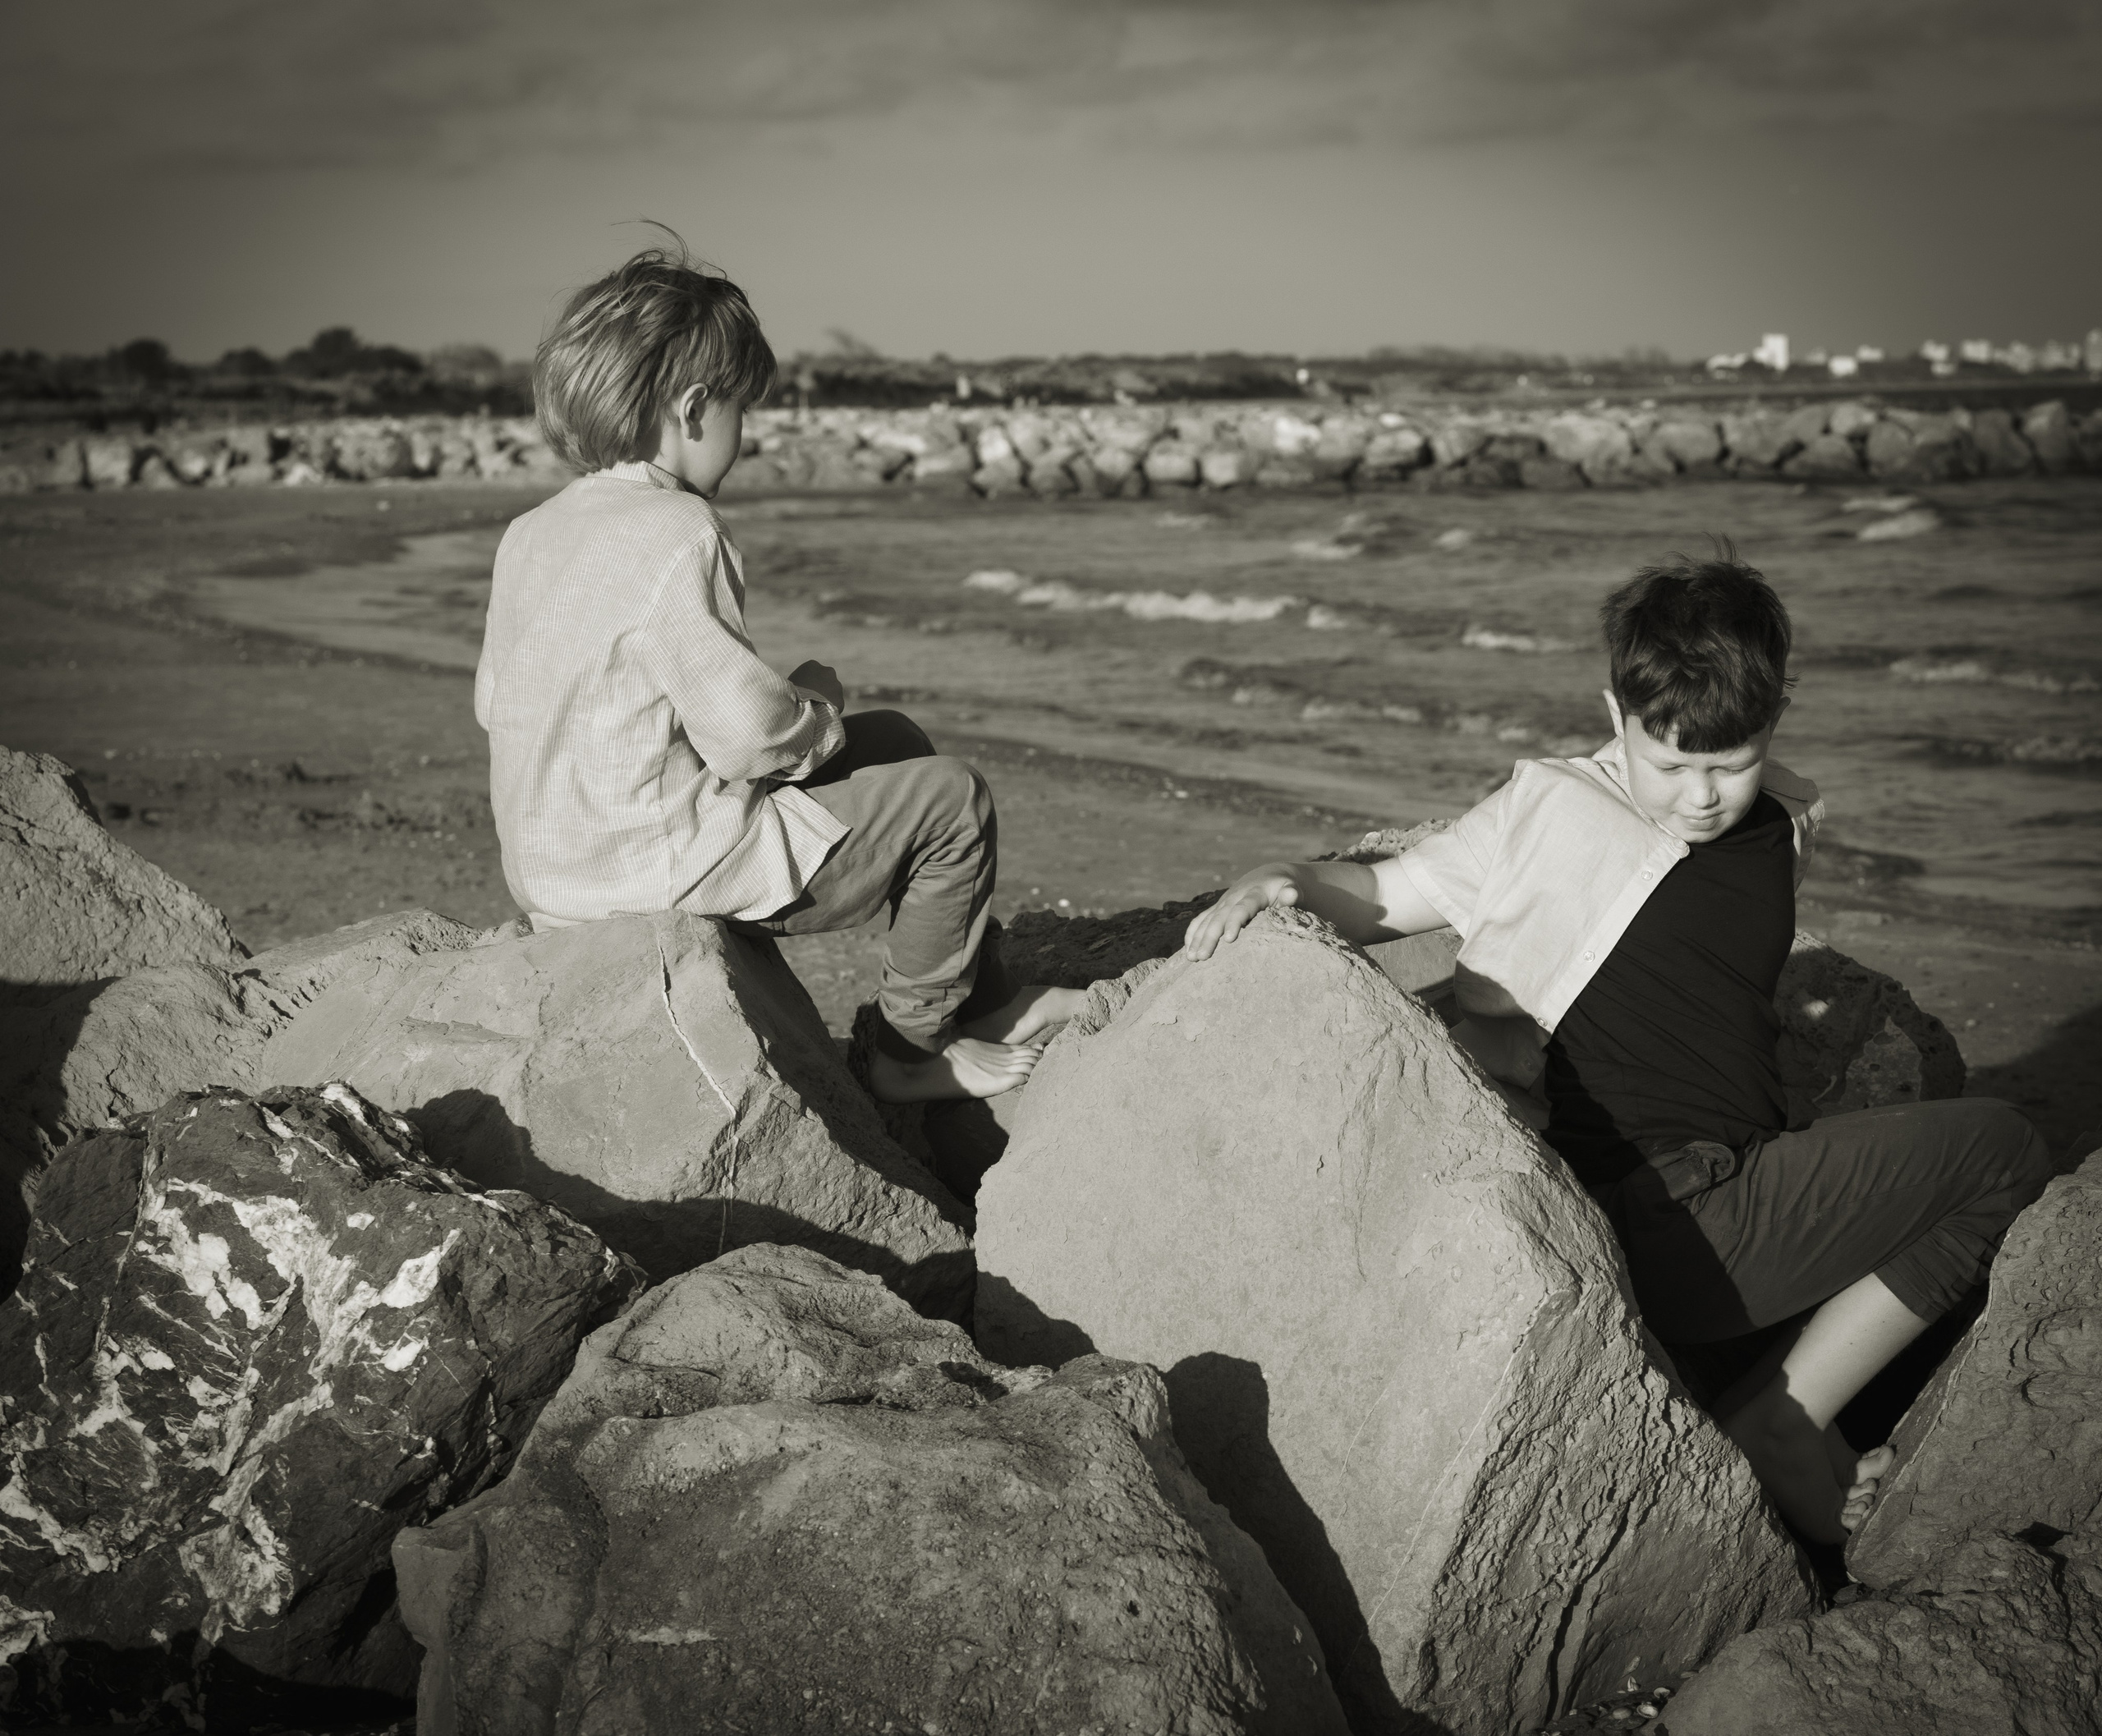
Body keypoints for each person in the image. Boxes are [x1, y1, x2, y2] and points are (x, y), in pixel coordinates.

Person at [1182, 550, 2055, 1545]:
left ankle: (1776, 1388)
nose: (1698, 796)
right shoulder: (1551, 814)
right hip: (1673, 1219)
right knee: (2005, 1150)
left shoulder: (1775, 817)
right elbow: (1384, 893)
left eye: (1728, 763)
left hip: (1730, 1185)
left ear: (1774, 715)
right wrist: (1278, 877)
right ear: (1614, 714)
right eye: (1671, 763)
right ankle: (1783, 1415)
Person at [475, 239, 1082, 1102]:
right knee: (951, 799)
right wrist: (816, 709)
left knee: (895, 741)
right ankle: (911, 1048)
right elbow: (746, 737)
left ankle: (981, 997)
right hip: (657, 871)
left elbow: (498, 700)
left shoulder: (531, 532)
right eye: (740, 413)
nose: (744, 436)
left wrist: (817, 731)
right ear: (692, 409)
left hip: (559, 865)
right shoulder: (679, 530)